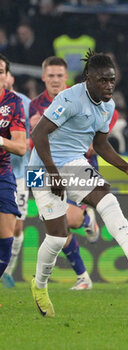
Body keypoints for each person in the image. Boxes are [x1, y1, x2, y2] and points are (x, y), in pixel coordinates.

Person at [29, 49, 128, 317]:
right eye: (103, 80)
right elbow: (38, 133)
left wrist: (126, 168)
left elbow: (101, 144)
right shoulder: (69, 98)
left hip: (73, 161)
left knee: (106, 195)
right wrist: (53, 173)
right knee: (56, 238)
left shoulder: (108, 105)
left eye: (112, 80)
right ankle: (39, 285)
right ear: (88, 78)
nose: (109, 85)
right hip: (40, 165)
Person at [29, 56, 98, 290]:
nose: (55, 80)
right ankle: (83, 278)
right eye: (51, 76)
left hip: (73, 166)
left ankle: (86, 217)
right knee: (56, 226)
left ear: (66, 77)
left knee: (69, 219)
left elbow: (92, 143)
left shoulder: (78, 100)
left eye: (60, 75)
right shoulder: (34, 106)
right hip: (45, 169)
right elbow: (32, 146)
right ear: (43, 77)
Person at [1, 71, 31, 288]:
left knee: (18, 228)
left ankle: (8, 270)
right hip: (10, 171)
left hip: (25, 172)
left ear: (9, 77)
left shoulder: (24, 103)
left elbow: (32, 141)